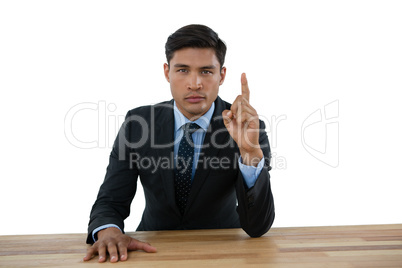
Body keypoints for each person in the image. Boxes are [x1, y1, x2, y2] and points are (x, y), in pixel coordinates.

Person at [84, 24, 275, 263]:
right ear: (167, 72)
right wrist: (109, 232)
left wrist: (249, 154)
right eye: (183, 70)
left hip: (224, 252)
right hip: (152, 250)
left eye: (206, 71)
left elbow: (257, 227)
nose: (194, 83)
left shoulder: (248, 128)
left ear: (221, 75)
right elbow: (111, 200)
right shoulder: (138, 123)